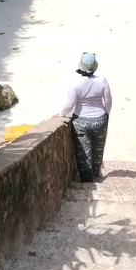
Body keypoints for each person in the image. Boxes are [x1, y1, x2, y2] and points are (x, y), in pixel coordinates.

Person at [54, 52, 112, 182]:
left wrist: (60, 115)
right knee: (98, 147)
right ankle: (96, 174)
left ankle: (87, 180)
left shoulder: (75, 83)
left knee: (83, 151)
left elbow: (70, 104)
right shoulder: (102, 80)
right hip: (100, 119)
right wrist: (106, 114)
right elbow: (108, 101)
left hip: (80, 120)